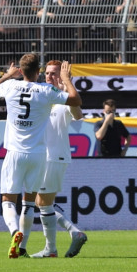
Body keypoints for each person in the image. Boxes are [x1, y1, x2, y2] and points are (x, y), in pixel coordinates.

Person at [0, 53, 81, 259]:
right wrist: (67, 80)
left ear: (21, 71)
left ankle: (16, 232)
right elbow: (76, 99)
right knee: (30, 203)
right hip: (38, 155)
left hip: (16, 152)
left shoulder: (11, 86)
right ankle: (25, 248)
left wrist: (7, 75)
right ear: (39, 71)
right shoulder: (47, 91)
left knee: (8, 200)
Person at [32, 59, 89, 259]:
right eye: (47, 73)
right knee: (41, 202)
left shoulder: (64, 96)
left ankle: (52, 248)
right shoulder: (42, 95)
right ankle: (72, 233)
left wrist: (67, 83)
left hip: (53, 156)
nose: (49, 76)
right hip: (44, 156)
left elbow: (78, 115)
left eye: (54, 73)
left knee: (43, 203)